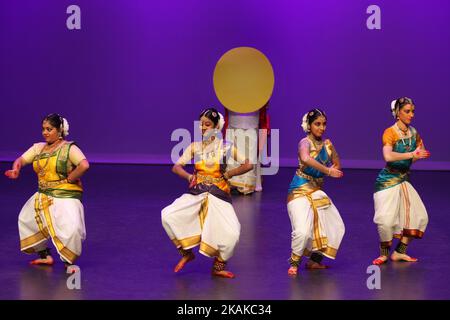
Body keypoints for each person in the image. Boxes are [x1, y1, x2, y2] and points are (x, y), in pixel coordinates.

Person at [161, 108, 253, 278]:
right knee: (168, 215)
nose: (203, 128)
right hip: (198, 192)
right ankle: (187, 253)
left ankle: (218, 266)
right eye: (201, 124)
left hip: (219, 194)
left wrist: (229, 174)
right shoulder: (195, 147)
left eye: (207, 124)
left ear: (217, 126)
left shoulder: (226, 147)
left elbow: (248, 164)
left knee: (233, 233)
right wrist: (189, 176)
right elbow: (176, 167)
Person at [5, 113, 89, 272]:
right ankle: (45, 256)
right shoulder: (38, 148)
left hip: (64, 194)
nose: (45, 132)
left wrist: (71, 178)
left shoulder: (68, 148)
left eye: (49, 129)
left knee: (70, 229)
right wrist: (16, 169)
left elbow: (84, 165)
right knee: (27, 220)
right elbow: (21, 160)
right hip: (43, 194)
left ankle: (69, 263)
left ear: (60, 131)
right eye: (43, 129)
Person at [286, 109, 345, 276]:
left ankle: (314, 261)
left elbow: (337, 163)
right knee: (303, 231)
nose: (322, 127)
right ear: (309, 126)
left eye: (324, 124)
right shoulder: (304, 142)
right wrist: (328, 171)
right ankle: (294, 262)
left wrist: (335, 169)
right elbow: (305, 158)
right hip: (299, 190)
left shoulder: (328, 144)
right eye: (317, 124)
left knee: (334, 226)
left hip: (317, 191)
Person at [372, 97, 430, 265]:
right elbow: (388, 156)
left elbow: (421, 151)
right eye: (407, 111)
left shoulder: (413, 132)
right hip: (387, 181)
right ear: (397, 113)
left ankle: (399, 252)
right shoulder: (390, 132)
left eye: (412, 111)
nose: (411, 115)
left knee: (420, 217)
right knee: (385, 220)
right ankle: (383, 254)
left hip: (404, 179)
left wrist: (417, 155)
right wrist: (412, 155)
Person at [223, 103, 270, 194]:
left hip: (252, 117)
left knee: (250, 151)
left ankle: (246, 184)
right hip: (234, 115)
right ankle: (233, 181)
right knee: (233, 151)